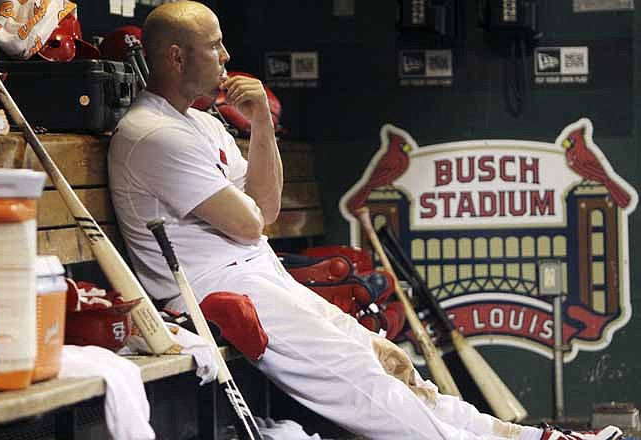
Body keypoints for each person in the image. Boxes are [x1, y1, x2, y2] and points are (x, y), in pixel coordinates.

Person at [108, 2, 624, 440]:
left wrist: (262, 121)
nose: (226, 56)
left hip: (256, 273)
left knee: (389, 363)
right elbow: (250, 224)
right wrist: (254, 208)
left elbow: (262, 209)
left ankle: (533, 436)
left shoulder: (199, 122)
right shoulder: (153, 134)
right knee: (363, 379)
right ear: (177, 56)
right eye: (215, 46)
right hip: (214, 293)